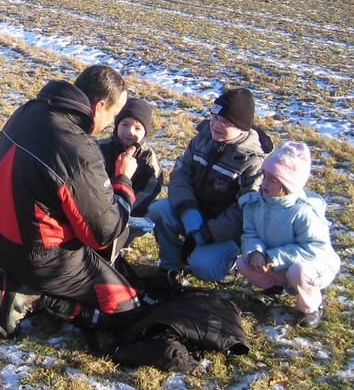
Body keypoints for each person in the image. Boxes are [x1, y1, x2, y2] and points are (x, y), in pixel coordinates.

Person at [0, 64, 151, 338]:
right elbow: (103, 234)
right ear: (99, 107)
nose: (112, 123)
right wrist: (123, 180)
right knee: (127, 306)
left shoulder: (27, 110)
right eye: (115, 114)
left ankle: (26, 281)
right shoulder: (77, 147)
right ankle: (37, 297)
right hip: (37, 258)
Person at [145, 88, 274, 282]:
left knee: (204, 266)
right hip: (194, 213)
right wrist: (187, 208)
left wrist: (208, 233)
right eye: (214, 118)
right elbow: (180, 174)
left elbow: (246, 212)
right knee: (159, 210)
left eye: (226, 122)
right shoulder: (201, 139)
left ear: (242, 127)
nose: (216, 125)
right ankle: (171, 267)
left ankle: (230, 265)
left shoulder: (253, 162)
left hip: (225, 230)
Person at [236, 141, 340, 328]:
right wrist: (256, 252)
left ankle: (310, 307)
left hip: (312, 265)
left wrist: (275, 257)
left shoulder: (303, 212)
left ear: (288, 184)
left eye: (272, 180)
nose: (264, 183)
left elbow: (315, 249)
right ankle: (274, 288)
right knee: (244, 262)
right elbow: (250, 234)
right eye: (264, 176)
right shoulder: (254, 205)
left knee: (298, 272)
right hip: (275, 262)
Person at [98, 97, 163, 217]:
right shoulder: (99, 148)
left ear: (145, 132)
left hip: (132, 213)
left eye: (137, 128)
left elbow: (148, 191)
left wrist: (125, 210)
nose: (130, 131)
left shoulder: (148, 159)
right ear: (116, 126)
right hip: (98, 208)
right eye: (125, 125)